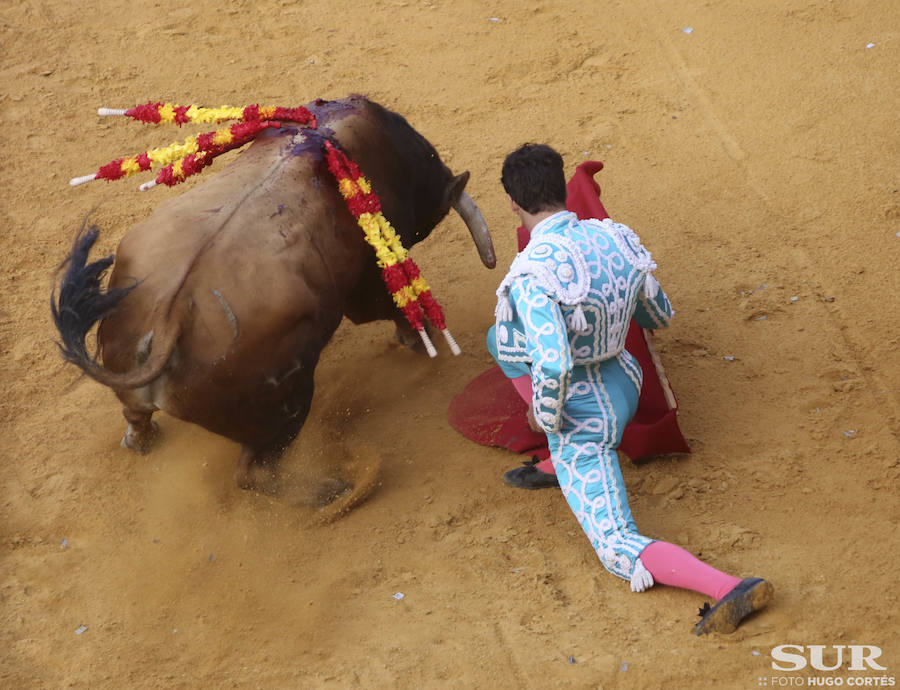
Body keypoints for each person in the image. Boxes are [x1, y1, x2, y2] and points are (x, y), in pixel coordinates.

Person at [487, 143, 773, 635]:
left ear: (513, 203)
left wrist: (543, 418)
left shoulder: (531, 275)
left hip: (583, 417)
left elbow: (553, 364)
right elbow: (659, 314)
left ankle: (728, 587)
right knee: (501, 339)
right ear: (559, 188)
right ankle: (557, 464)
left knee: (618, 546)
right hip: (624, 383)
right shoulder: (616, 239)